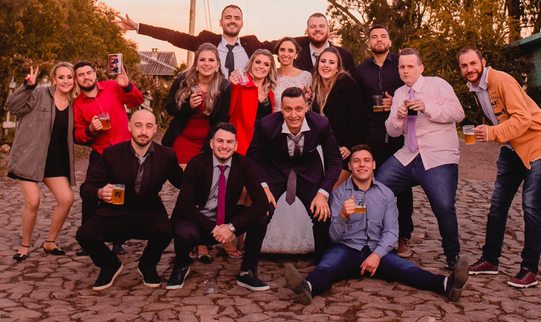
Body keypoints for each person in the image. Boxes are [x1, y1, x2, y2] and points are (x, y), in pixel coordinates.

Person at [283, 145, 468, 304]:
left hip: (377, 250)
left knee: (408, 269)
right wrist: (342, 216)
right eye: (356, 161)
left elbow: (391, 232)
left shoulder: (386, 194)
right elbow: (334, 236)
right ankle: (306, 288)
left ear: (373, 165)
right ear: (350, 166)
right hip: (347, 248)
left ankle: (447, 285)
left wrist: (377, 255)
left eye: (366, 160)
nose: (361, 165)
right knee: (326, 267)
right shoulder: (339, 194)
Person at [459, 46, 541, 290]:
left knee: (530, 206)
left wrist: (493, 133)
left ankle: (530, 269)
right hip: (511, 149)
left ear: (483, 62)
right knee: (498, 204)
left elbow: (523, 118)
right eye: (464, 66)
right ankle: (490, 260)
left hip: (537, 146)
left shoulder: (503, 80)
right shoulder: (475, 87)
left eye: (473, 63)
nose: (469, 69)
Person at [376, 48, 466, 269]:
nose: (405, 71)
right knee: (377, 189)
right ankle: (376, 244)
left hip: (437, 155)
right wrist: (398, 117)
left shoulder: (437, 85)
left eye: (410, 66)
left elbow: (458, 113)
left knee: (444, 206)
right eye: (402, 67)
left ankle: (452, 256)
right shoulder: (399, 94)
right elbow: (392, 131)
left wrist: (428, 107)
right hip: (409, 154)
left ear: (421, 68)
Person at [75, 109, 183, 291]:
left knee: (166, 229)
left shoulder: (166, 156)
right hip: (116, 212)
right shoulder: (112, 154)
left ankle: (147, 264)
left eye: (148, 126)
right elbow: (86, 188)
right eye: (138, 125)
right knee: (84, 234)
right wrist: (100, 193)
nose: (143, 131)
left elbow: (182, 183)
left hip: (148, 211)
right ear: (129, 127)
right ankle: (110, 264)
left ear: (155, 129)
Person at [169, 123, 273, 291]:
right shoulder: (196, 163)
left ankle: (247, 272)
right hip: (198, 220)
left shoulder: (243, 164)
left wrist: (232, 227)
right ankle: (181, 265)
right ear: (211, 144)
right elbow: (184, 205)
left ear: (236, 145)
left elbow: (261, 203)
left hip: (226, 220)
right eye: (220, 141)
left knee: (260, 217)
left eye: (229, 142)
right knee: (184, 232)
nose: (224, 146)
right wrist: (213, 228)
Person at [247, 87, 345, 260]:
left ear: (306, 107)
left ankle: (323, 263)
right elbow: (253, 158)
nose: (294, 115)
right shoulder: (267, 125)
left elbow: (336, 161)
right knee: (260, 213)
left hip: (309, 171)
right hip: (274, 171)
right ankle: (248, 269)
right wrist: (263, 186)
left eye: (298, 109)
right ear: (281, 109)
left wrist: (323, 193)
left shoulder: (321, 124)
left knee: (322, 213)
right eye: (288, 109)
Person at [5, 62, 78, 261]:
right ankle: (24, 246)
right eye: (61, 77)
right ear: (54, 79)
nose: (65, 81)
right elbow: (13, 106)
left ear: (74, 80)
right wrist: (27, 87)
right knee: (33, 201)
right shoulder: (38, 94)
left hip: (55, 162)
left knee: (66, 199)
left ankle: (50, 242)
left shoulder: (75, 104)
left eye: (69, 77)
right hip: (30, 157)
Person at [352, 24, 414, 255]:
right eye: (374, 37)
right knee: (367, 182)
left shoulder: (401, 64)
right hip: (373, 133)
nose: (379, 40)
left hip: (401, 133)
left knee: (404, 186)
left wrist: (396, 104)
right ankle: (367, 232)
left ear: (390, 41)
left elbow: (414, 89)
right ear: (368, 43)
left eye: (383, 36)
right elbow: (356, 103)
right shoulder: (360, 71)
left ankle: (403, 236)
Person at [72, 60, 145, 248]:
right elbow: (78, 136)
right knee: (90, 194)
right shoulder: (78, 105)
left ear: (95, 74)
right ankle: (88, 240)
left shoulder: (113, 86)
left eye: (88, 73)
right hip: (100, 153)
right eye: (81, 75)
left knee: (121, 193)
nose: (86, 77)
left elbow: (137, 101)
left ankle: (117, 241)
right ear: (76, 79)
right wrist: (90, 129)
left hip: (124, 150)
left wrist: (127, 86)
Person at [116, 5, 278, 77]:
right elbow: (171, 35)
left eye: (237, 18)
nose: (232, 21)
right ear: (221, 22)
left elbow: (282, 45)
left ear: (242, 24)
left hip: (241, 108)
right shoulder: (206, 41)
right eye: (228, 18)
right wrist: (138, 27)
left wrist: (305, 39)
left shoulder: (252, 45)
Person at [162, 43, 232, 164]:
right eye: (202, 60)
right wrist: (189, 106)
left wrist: (207, 147)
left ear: (217, 65)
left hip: (209, 140)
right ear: (196, 64)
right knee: (185, 177)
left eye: (211, 60)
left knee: (203, 179)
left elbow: (220, 121)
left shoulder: (224, 86)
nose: (206, 63)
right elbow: (170, 108)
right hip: (184, 137)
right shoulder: (182, 80)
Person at [309, 48, 367, 188]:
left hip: (342, 150)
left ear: (337, 68)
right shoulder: (314, 87)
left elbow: (359, 119)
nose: (326, 65)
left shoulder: (348, 85)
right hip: (320, 150)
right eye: (323, 61)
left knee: (331, 190)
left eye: (331, 62)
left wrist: (349, 146)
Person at [227, 48, 277, 155]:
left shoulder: (270, 92)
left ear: (270, 69)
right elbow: (228, 112)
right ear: (251, 64)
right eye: (258, 62)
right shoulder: (239, 84)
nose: (261, 67)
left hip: (262, 147)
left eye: (266, 64)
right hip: (240, 145)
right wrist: (232, 86)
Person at [272, 36, 312, 103]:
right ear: (277, 53)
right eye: (282, 50)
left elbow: (309, 104)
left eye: (290, 51)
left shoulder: (306, 77)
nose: (286, 54)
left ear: (296, 54)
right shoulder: (271, 76)